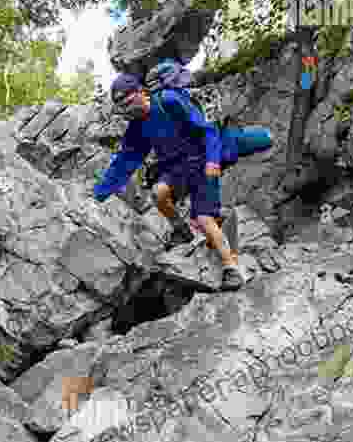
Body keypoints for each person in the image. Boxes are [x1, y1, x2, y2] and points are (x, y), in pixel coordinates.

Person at [93, 71, 244, 289]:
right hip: (175, 169)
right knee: (158, 193)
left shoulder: (169, 101)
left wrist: (213, 160)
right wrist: (100, 193)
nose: (127, 109)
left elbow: (207, 128)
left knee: (204, 219)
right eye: (122, 107)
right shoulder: (137, 127)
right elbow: (124, 162)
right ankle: (180, 230)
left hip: (201, 161)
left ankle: (232, 269)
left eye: (128, 102)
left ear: (141, 92)